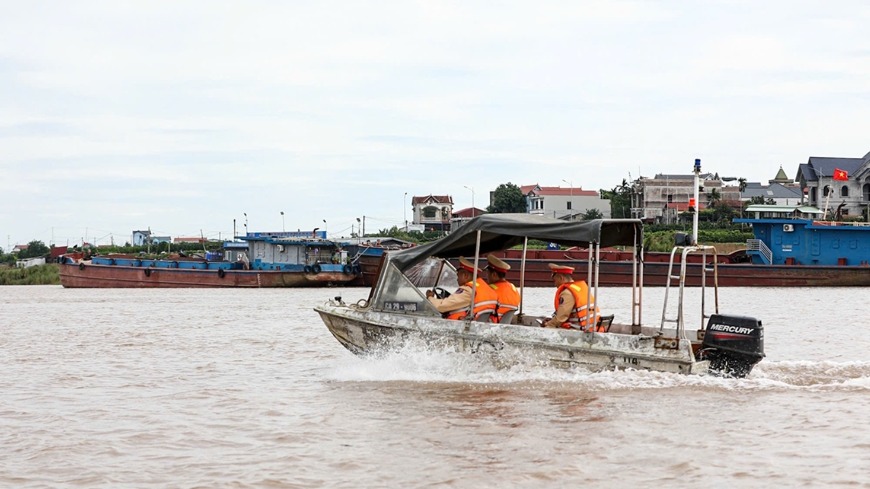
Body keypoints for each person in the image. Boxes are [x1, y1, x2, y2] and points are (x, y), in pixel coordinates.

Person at [426, 257, 498, 320]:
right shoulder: (485, 288)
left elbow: (442, 306)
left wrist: (430, 297)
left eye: (458, 276)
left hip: (459, 326)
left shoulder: (468, 290)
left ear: (465, 275)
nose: (457, 279)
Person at [542, 263, 604, 331]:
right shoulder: (579, 289)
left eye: (555, 280)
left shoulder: (567, 293)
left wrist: (548, 324)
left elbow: (561, 317)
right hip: (593, 327)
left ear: (561, 278)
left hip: (581, 330)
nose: (555, 284)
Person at [485, 254, 520, 323]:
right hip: (505, 323)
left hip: (491, 325)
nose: (487, 277)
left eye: (487, 274)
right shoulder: (513, 288)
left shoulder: (490, 290)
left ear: (494, 275)